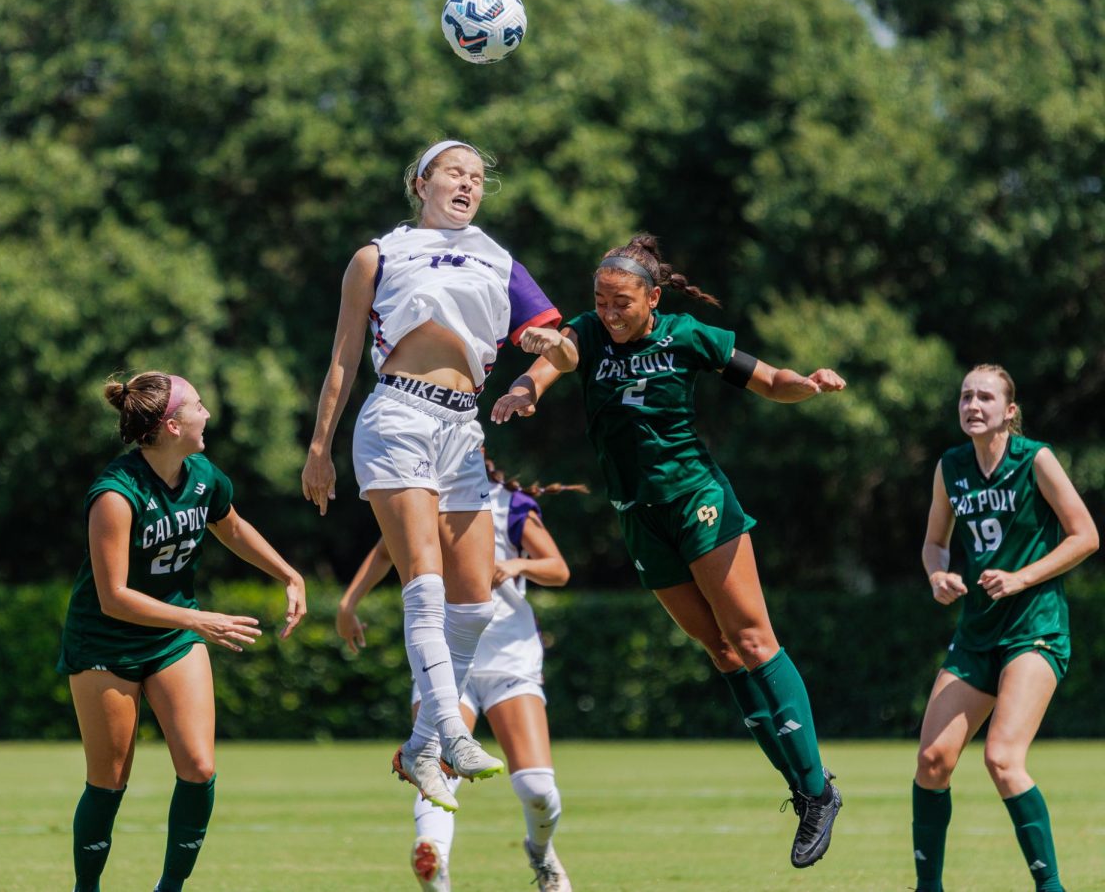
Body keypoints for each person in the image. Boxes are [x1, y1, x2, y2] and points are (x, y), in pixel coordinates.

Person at [491, 233, 847, 869]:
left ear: (653, 297)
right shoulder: (587, 335)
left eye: (621, 301)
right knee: (720, 651)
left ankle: (816, 790)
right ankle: (803, 789)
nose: (608, 311)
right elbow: (558, 359)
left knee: (754, 640)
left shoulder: (687, 335)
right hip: (637, 517)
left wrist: (809, 385)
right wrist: (526, 389)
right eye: (599, 299)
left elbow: (768, 380)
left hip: (698, 502)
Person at [301, 139, 564, 811]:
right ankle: (450, 730)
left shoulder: (497, 258)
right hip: (398, 416)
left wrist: (537, 362)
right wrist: (319, 447)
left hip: (463, 427)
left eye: (478, 177)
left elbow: (561, 344)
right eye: (454, 172)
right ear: (419, 182)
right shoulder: (378, 255)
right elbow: (342, 357)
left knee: (475, 600)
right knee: (424, 578)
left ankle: (419, 742)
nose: (468, 183)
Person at [58, 371, 307, 892]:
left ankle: (169, 889)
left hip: (171, 636)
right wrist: (199, 619)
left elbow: (231, 526)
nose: (207, 413)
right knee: (109, 782)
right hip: (104, 642)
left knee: (198, 765)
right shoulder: (115, 494)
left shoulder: (202, 474)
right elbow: (114, 597)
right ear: (172, 425)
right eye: (198, 405)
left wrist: (288, 573)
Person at [337, 450, 585, 892]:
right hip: (443, 660)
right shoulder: (419, 499)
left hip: (510, 658)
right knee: (434, 770)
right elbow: (383, 553)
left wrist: (517, 565)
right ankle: (433, 859)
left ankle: (542, 852)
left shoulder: (509, 504)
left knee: (537, 789)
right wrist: (348, 603)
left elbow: (559, 569)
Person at [912, 365, 1098, 892]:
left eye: (985, 397)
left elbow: (1085, 536)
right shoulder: (950, 467)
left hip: (1034, 630)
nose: (973, 405)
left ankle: (1052, 888)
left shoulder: (1035, 458)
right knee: (932, 760)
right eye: (966, 396)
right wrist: (937, 575)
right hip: (977, 633)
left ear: (1009, 411)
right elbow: (934, 542)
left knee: (1001, 758)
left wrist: (1022, 578)